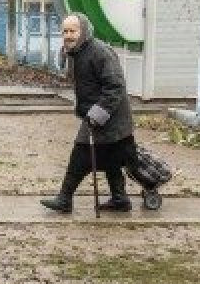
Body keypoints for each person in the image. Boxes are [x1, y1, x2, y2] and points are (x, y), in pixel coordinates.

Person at [40, 13, 136, 213]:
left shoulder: (100, 52)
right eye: (65, 31)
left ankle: (64, 199)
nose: (68, 35)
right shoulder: (77, 52)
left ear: (83, 31)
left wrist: (96, 114)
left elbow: (115, 86)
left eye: (73, 31)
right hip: (99, 115)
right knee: (111, 158)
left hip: (111, 116)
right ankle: (120, 199)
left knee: (80, 154)